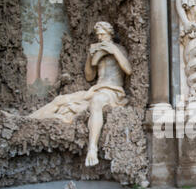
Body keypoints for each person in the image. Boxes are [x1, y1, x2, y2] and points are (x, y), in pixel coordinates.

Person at [28, 21, 132, 167]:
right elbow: (89, 77)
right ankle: (26, 120)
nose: (100, 37)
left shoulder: (119, 49)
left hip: (113, 91)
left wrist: (114, 50)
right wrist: (90, 57)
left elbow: (128, 70)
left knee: (96, 101)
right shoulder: (97, 51)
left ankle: (92, 148)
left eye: (103, 34)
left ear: (110, 34)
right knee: (60, 99)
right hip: (96, 88)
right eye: (98, 35)